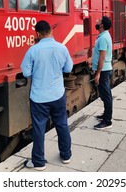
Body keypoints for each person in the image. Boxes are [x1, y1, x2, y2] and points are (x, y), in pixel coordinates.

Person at [21, 20, 73, 170]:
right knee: (62, 124)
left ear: (37, 34)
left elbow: (26, 72)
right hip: (57, 94)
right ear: (51, 31)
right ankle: (66, 155)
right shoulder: (62, 48)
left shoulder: (33, 50)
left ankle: (38, 162)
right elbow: (68, 67)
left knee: (38, 128)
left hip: (39, 97)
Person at [92, 16, 113, 130]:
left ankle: (107, 121)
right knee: (105, 94)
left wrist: (98, 73)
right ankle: (106, 115)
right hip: (104, 69)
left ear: (102, 25)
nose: (97, 21)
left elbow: (102, 56)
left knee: (106, 95)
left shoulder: (103, 38)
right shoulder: (104, 36)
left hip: (103, 70)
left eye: (99, 21)